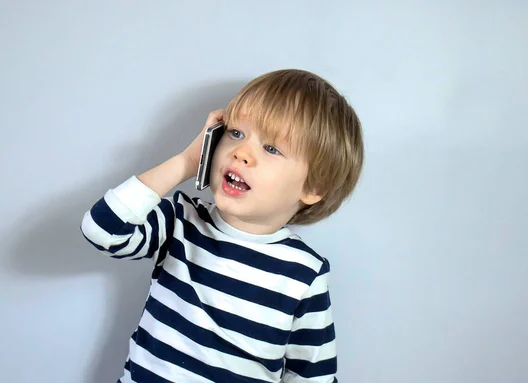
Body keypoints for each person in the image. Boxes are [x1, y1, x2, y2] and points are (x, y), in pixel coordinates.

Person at [80, 69, 364, 382]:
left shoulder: (304, 274)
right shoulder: (180, 222)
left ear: (312, 187)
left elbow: (313, 377)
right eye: (236, 133)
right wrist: (186, 163)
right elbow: (102, 229)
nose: (241, 153)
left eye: (271, 149)